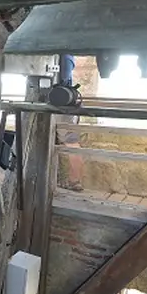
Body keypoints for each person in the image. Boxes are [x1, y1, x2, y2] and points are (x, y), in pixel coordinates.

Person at [57, 54, 84, 191]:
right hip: (66, 104)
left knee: (71, 142)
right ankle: (73, 180)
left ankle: (75, 180)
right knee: (70, 141)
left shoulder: (65, 56)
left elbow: (63, 79)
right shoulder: (67, 55)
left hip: (62, 106)